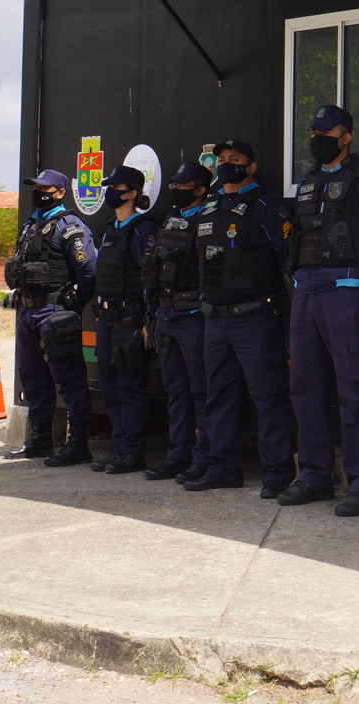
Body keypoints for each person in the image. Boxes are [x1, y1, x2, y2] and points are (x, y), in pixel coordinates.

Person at [279, 104, 359, 516]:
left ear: (345, 136)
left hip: (347, 289)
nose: (316, 137)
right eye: (312, 130)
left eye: (325, 131)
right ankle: (313, 476)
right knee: (304, 386)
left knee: (356, 388)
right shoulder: (308, 182)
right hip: (306, 292)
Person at [189, 141, 297, 495]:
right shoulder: (209, 205)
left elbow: (288, 258)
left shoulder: (267, 205)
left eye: (234, 160)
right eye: (221, 160)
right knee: (218, 396)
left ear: (251, 167)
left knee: (268, 397)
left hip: (256, 318)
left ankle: (277, 473)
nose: (226, 165)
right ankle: (222, 468)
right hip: (214, 321)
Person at [3, 168, 97, 467]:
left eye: (45, 187)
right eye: (35, 186)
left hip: (54, 313)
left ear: (60, 192)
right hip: (27, 311)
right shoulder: (32, 225)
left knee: (68, 378)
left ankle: (78, 443)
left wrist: (72, 306)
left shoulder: (70, 226)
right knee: (33, 378)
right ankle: (40, 439)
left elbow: (89, 272)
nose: (38, 191)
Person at [140, 161, 213, 483]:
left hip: (194, 318)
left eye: (184, 186)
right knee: (176, 392)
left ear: (200, 189)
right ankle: (177, 456)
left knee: (203, 393)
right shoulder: (170, 219)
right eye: (174, 185)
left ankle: (204, 459)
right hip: (166, 315)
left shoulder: (209, 218)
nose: (177, 191)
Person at [88, 165, 157, 476]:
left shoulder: (143, 230)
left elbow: (150, 280)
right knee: (112, 388)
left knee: (131, 388)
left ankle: (132, 452)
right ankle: (119, 447)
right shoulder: (110, 229)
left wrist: (147, 323)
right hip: (106, 320)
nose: (109, 192)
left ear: (131, 193)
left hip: (130, 321)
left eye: (115, 187)